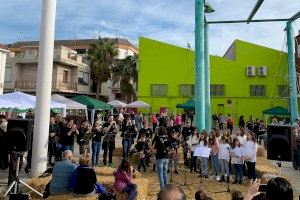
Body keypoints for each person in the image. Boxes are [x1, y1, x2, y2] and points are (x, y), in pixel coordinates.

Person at [153, 119, 172, 189]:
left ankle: (162, 189)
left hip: (159, 157)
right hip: (166, 157)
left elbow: (155, 149)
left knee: (160, 173)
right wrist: (167, 150)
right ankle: (166, 187)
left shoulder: (158, 139)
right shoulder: (168, 138)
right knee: (165, 173)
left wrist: (151, 148)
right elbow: (171, 148)